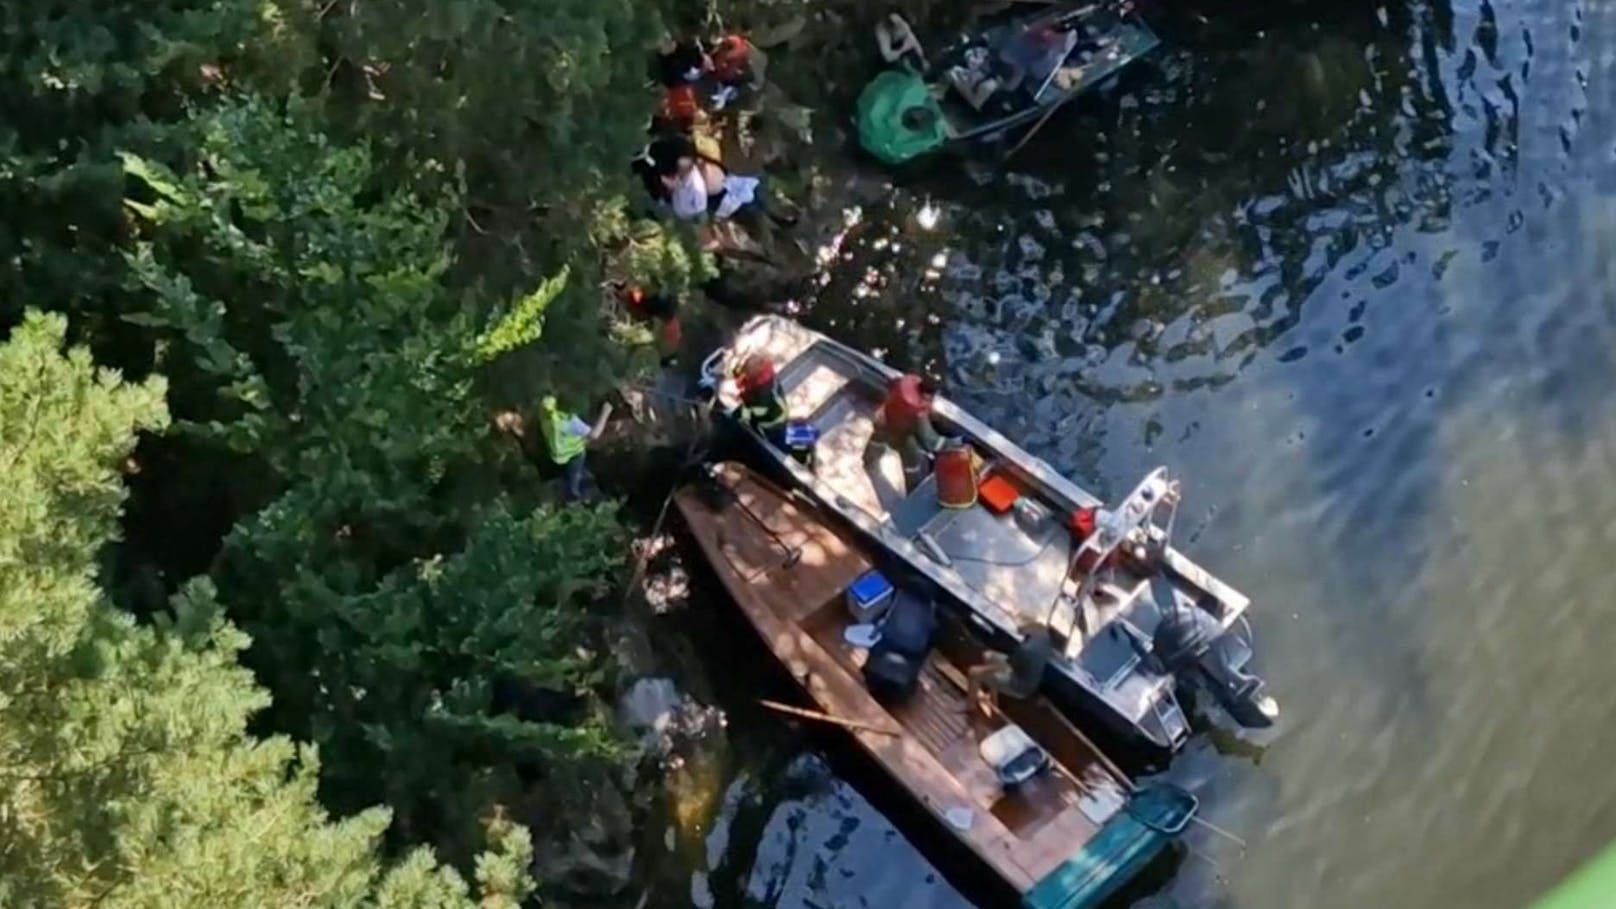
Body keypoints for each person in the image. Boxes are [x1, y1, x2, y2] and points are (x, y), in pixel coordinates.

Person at [865, 373, 943, 494]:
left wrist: (883, 406)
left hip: (885, 420)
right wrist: (945, 445)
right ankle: (913, 491)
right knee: (912, 460)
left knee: (877, 440)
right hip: (901, 434)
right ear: (928, 394)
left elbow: (891, 384)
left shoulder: (907, 381)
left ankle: (868, 459)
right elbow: (926, 436)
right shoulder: (918, 406)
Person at [966, 622, 1054, 719]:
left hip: (1018, 686)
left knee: (973, 673)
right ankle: (994, 700)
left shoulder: (1025, 649)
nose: (1020, 628)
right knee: (987, 655)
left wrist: (981, 670)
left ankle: (970, 708)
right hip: (1023, 672)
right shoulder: (1043, 635)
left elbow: (1004, 666)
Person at [539, 395, 612, 502]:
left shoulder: (547, 407)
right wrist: (606, 412)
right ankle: (573, 493)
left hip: (553, 447)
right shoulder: (571, 423)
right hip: (571, 453)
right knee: (575, 474)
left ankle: (563, 478)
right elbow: (594, 435)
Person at [728, 353, 789, 441]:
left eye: (747, 375)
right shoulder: (765, 375)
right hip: (776, 407)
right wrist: (736, 371)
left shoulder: (761, 398)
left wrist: (735, 415)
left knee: (774, 439)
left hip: (774, 420)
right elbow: (742, 374)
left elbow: (749, 412)